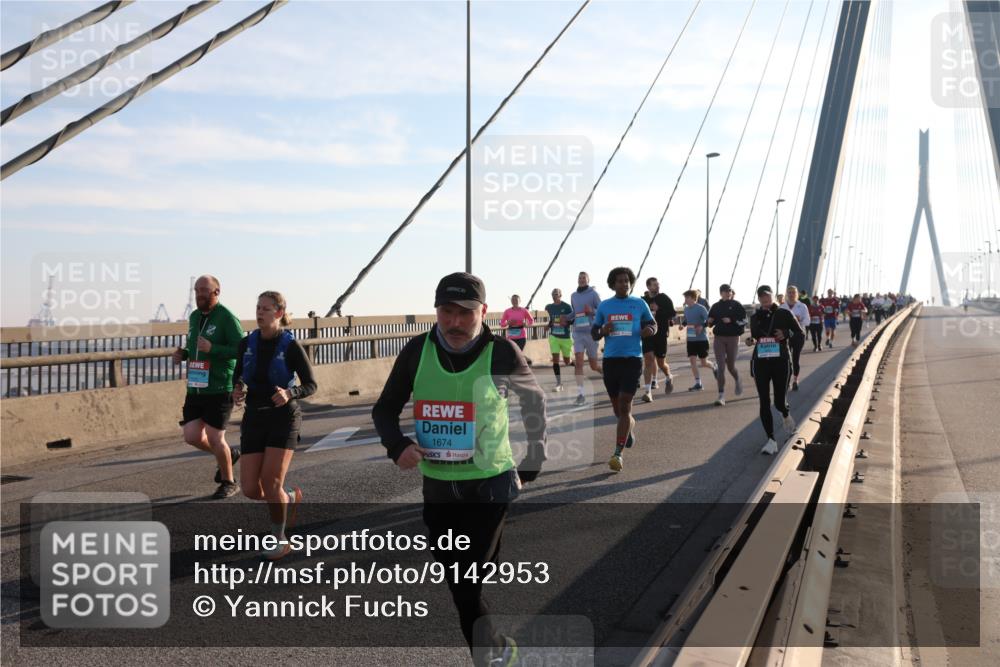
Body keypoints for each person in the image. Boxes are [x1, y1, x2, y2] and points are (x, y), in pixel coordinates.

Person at [372, 272, 546, 665]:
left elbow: (533, 402)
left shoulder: (502, 353)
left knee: (466, 584)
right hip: (438, 486)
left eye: (465, 313)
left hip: (490, 483)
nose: (454, 322)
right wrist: (396, 445)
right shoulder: (417, 351)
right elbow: (384, 408)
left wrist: (534, 456)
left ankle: (490, 659)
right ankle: (499, 647)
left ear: (483, 312)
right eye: (445, 312)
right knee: (459, 582)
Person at [232, 291, 316, 560]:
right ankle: (288, 497)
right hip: (254, 417)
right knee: (250, 489)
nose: (260, 313)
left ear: (279, 313)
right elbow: (238, 376)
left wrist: (289, 393)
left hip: (284, 417)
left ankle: (279, 539)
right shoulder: (247, 343)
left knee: (270, 483)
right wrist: (237, 390)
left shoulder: (290, 346)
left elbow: (311, 385)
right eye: (258, 308)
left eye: (266, 309)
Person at [171, 275, 245, 499]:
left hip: (219, 386)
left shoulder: (227, 318)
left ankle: (229, 481)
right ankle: (229, 454)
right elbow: (194, 346)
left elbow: (239, 350)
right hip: (196, 387)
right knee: (192, 436)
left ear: (216, 292)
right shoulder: (194, 317)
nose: (199, 294)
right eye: (196, 290)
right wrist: (183, 354)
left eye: (204, 289)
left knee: (215, 437)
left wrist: (213, 348)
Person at [591, 267, 656, 472]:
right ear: (613, 284)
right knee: (618, 410)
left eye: (627, 281)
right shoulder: (605, 306)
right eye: (619, 281)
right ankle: (629, 426)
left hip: (632, 360)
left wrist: (649, 330)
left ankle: (617, 454)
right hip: (611, 361)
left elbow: (652, 324)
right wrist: (603, 330)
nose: (624, 284)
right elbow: (594, 333)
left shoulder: (639, 303)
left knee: (626, 405)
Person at [747, 285, 803, 455]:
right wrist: (751, 340)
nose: (764, 299)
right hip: (761, 363)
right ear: (758, 298)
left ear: (772, 296)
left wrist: (786, 333)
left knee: (779, 401)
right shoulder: (755, 317)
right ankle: (771, 440)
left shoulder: (784, 313)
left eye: (767, 295)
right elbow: (755, 336)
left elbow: (799, 334)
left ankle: (785, 414)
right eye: (761, 296)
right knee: (764, 401)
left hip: (781, 363)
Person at [706, 283, 745, 406]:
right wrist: (709, 322)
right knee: (721, 367)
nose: (728, 293)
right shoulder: (716, 306)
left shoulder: (737, 305)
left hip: (733, 338)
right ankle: (721, 396)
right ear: (721, 293)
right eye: (725, 291)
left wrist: (732, 320)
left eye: (729, 291)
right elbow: (710, 322)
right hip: (719, 338)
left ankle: (737, 378)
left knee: (730, 366)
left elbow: (744, 321)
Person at [639, 277, 676, 402]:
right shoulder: (642, 300)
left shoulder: (664, 298)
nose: (657, 286)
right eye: (654, 285)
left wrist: (658, 309)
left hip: (661, 334)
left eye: (658, 284)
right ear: (648, 287)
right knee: (648, 360)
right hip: (647, 334)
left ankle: (668, 376)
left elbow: (673, 314)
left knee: (661, 363)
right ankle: (648, 392)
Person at [570, 271, 603, 406]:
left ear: (588, 280)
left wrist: (592, 312)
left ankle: (603, 372)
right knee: (578, 362)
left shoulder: (593, 294)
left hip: (591, 333)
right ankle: (580, 394)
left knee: (593, 365)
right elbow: (575, 312)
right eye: (579, 278)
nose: (581, 279)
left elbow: (601, 310)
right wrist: (566, 318)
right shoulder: (573, 295)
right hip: (578, 333)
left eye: (584, 278)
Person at [679, 289, 715, 392]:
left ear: (693, 298)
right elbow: (687, 319)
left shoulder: (701, 308)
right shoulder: (686, 309)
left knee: (703, 363)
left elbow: (709, 321)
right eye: (685, 297)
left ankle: (714, 367)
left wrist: (701, 326)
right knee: (692, 360)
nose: (685, 299)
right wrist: (683, 325)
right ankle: (698, 383)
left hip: (701, 339)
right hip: (691, 339)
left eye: (687, 297)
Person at [780, 286, 810, 391]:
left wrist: (799, 319)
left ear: (797, 294)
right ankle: (787, 380)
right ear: (786, 294)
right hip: (785, 335)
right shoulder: (782, 307)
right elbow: (778, 323)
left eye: (793, 292)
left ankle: (795, 380)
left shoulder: (802, 306)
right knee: (786, 359)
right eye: (789, 292)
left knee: (795, 358)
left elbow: (807, 321)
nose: (791, 294)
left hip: (799, 334)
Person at [544, 288, 574, 391]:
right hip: (554, 337)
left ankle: (574, 363)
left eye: (556, 294)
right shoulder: (549, 307)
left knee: (566, 361)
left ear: (560, 295)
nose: (554, 295)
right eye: (553, 294)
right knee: (555, 360)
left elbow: (573, 320)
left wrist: (567, 323)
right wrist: (548, 326)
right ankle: (559, 383)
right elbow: (552, 319)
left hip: (565, 337)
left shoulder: (566, 307)